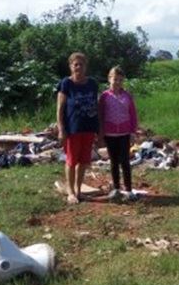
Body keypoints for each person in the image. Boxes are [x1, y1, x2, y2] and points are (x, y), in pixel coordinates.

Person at [56, 52, 99, 204]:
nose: (78, 67)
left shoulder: (92, 84)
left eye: (81, 64)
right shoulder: (66, 84)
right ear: (70, 66)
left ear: (86, 66)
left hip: (88, 128)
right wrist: (61, 129)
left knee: (83, 161)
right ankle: (70, 192)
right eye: (76, 64)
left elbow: (96, 106)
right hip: (72, 129)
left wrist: (98, 130)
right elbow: (60, 109)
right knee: (71, 161)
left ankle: (79, 190)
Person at [98, 65, 138, 201]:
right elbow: (100, 115)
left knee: (125, 161)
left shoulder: (127, 96)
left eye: (120, 80)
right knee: (114, 161)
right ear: (109, 79)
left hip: (124, 133)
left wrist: (133, 132)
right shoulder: (104, 96)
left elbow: (133, 114)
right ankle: (116, 189)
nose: (117, 82)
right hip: (110, 134)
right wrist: (101, 133)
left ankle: (129, 190)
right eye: (115, 79)